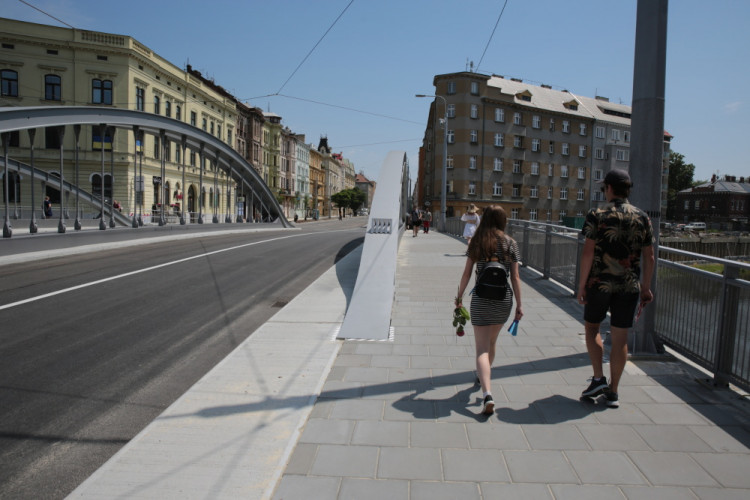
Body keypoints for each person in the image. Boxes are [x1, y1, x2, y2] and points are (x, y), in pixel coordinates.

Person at [577, 169, 655, 408]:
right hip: (628, 287)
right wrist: (646, 288)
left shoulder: (596, 214)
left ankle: (598, 378)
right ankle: (613, 392)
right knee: (620, 339)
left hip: (599, 284)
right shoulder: (642, 217)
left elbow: (588, 252)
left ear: (609, 188)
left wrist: (581, 286)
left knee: (592, 329)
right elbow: (649, 256)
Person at [457, 205, 523, 415]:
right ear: (503, 220)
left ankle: (487, 393)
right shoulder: (511, 243)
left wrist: (458, 297)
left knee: (481, 349)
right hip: (503, 300)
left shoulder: (477, 241)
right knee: (492, 342)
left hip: (481, 299)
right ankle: (484, 375)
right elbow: (515, 277)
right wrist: (519, 305)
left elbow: (467, 273)